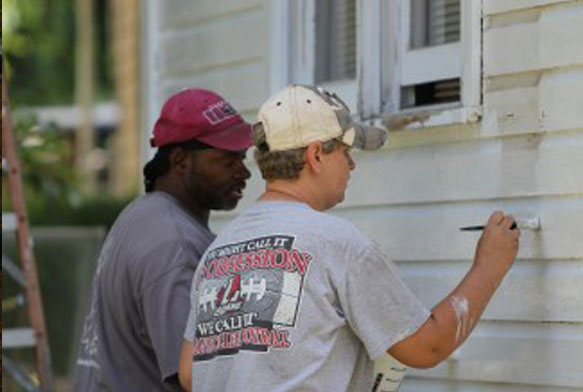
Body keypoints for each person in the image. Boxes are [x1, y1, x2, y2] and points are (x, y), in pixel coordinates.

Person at [178, 84, 520, 391]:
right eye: (345, 152)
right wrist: (489, 266)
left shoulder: (219, 250)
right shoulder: (338, 244)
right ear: (315, 156)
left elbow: (190, 374)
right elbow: (427, 346)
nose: (352, 166)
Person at [74, 88, 253, 391]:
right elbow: (196, 377)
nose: (244, 172)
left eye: (242, 158)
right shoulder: (176, 246)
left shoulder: (140, 214)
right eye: (227, 160)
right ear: (181, 160)